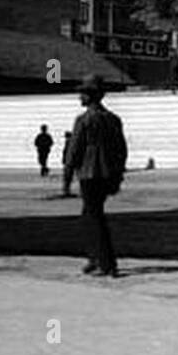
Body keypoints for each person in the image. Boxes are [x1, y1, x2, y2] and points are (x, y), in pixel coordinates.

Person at [65, 74, 128, 278]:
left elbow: (74, 151)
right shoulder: (113, 119)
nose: (79, 97)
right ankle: (94, 257)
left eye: (82, 93)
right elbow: (121, 150)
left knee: (95, 218)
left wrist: (66, 178)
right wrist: (118, 176)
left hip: (89, 173)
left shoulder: (83, 120)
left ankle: (107, 262)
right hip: (107, 174)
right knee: (90, 214)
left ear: (90, 96)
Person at [60, 130, 76, 197]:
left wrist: (64, 160)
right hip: (70, 161)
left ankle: (66, 190)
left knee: (67, 176)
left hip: (68, 161)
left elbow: (66, 152)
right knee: (68, 176)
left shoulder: (69, 142)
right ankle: (66, 190)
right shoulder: (71, 142)